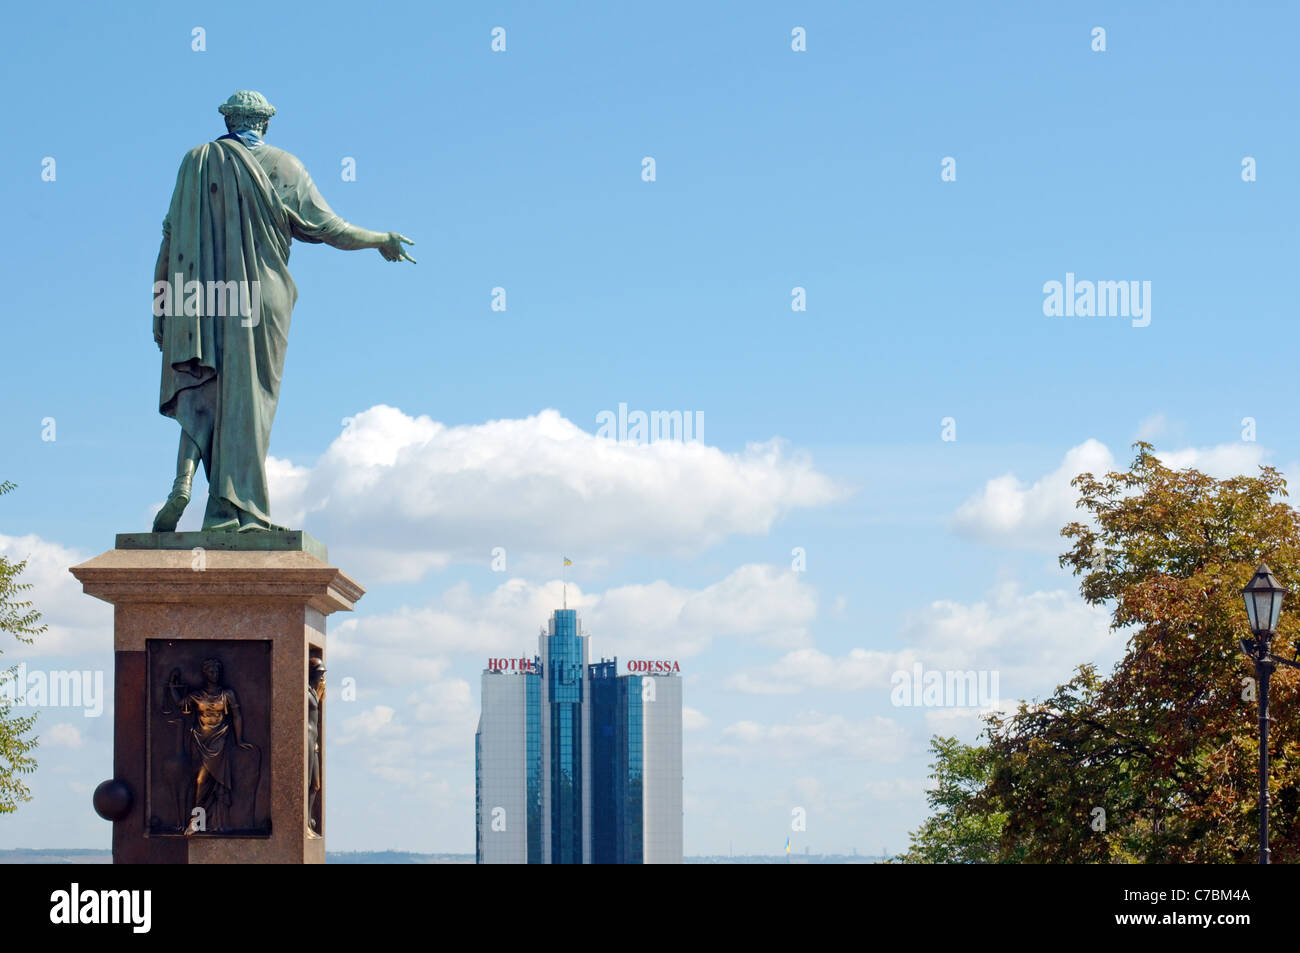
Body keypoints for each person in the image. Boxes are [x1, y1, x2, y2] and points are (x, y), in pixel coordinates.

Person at [152, 90, 415, 532]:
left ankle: (184, 481)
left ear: (229, 120)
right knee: (249, 404)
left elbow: (170, 237)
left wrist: (162, 305)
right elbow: (330, 228)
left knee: (203, 382)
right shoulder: (284, 165)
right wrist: (380, 239)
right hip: (260, 299)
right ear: (265, 124)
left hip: (199, 295)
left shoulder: (195, 160)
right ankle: (239, 512)